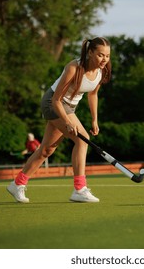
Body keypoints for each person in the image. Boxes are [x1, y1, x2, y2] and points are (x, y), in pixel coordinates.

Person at [7, 37, 111, 203]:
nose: (104, 59)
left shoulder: (101, 71)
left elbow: (92, 94)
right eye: (100, 55)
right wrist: (68, 121)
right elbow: (56, 100)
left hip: (69, 107)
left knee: (47, 150)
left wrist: (94, 119)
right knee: (82, 140)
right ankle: (79, 189)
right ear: (90, 52)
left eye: (107, 56)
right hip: (53, 103)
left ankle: (17, 184)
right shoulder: (74, 68)